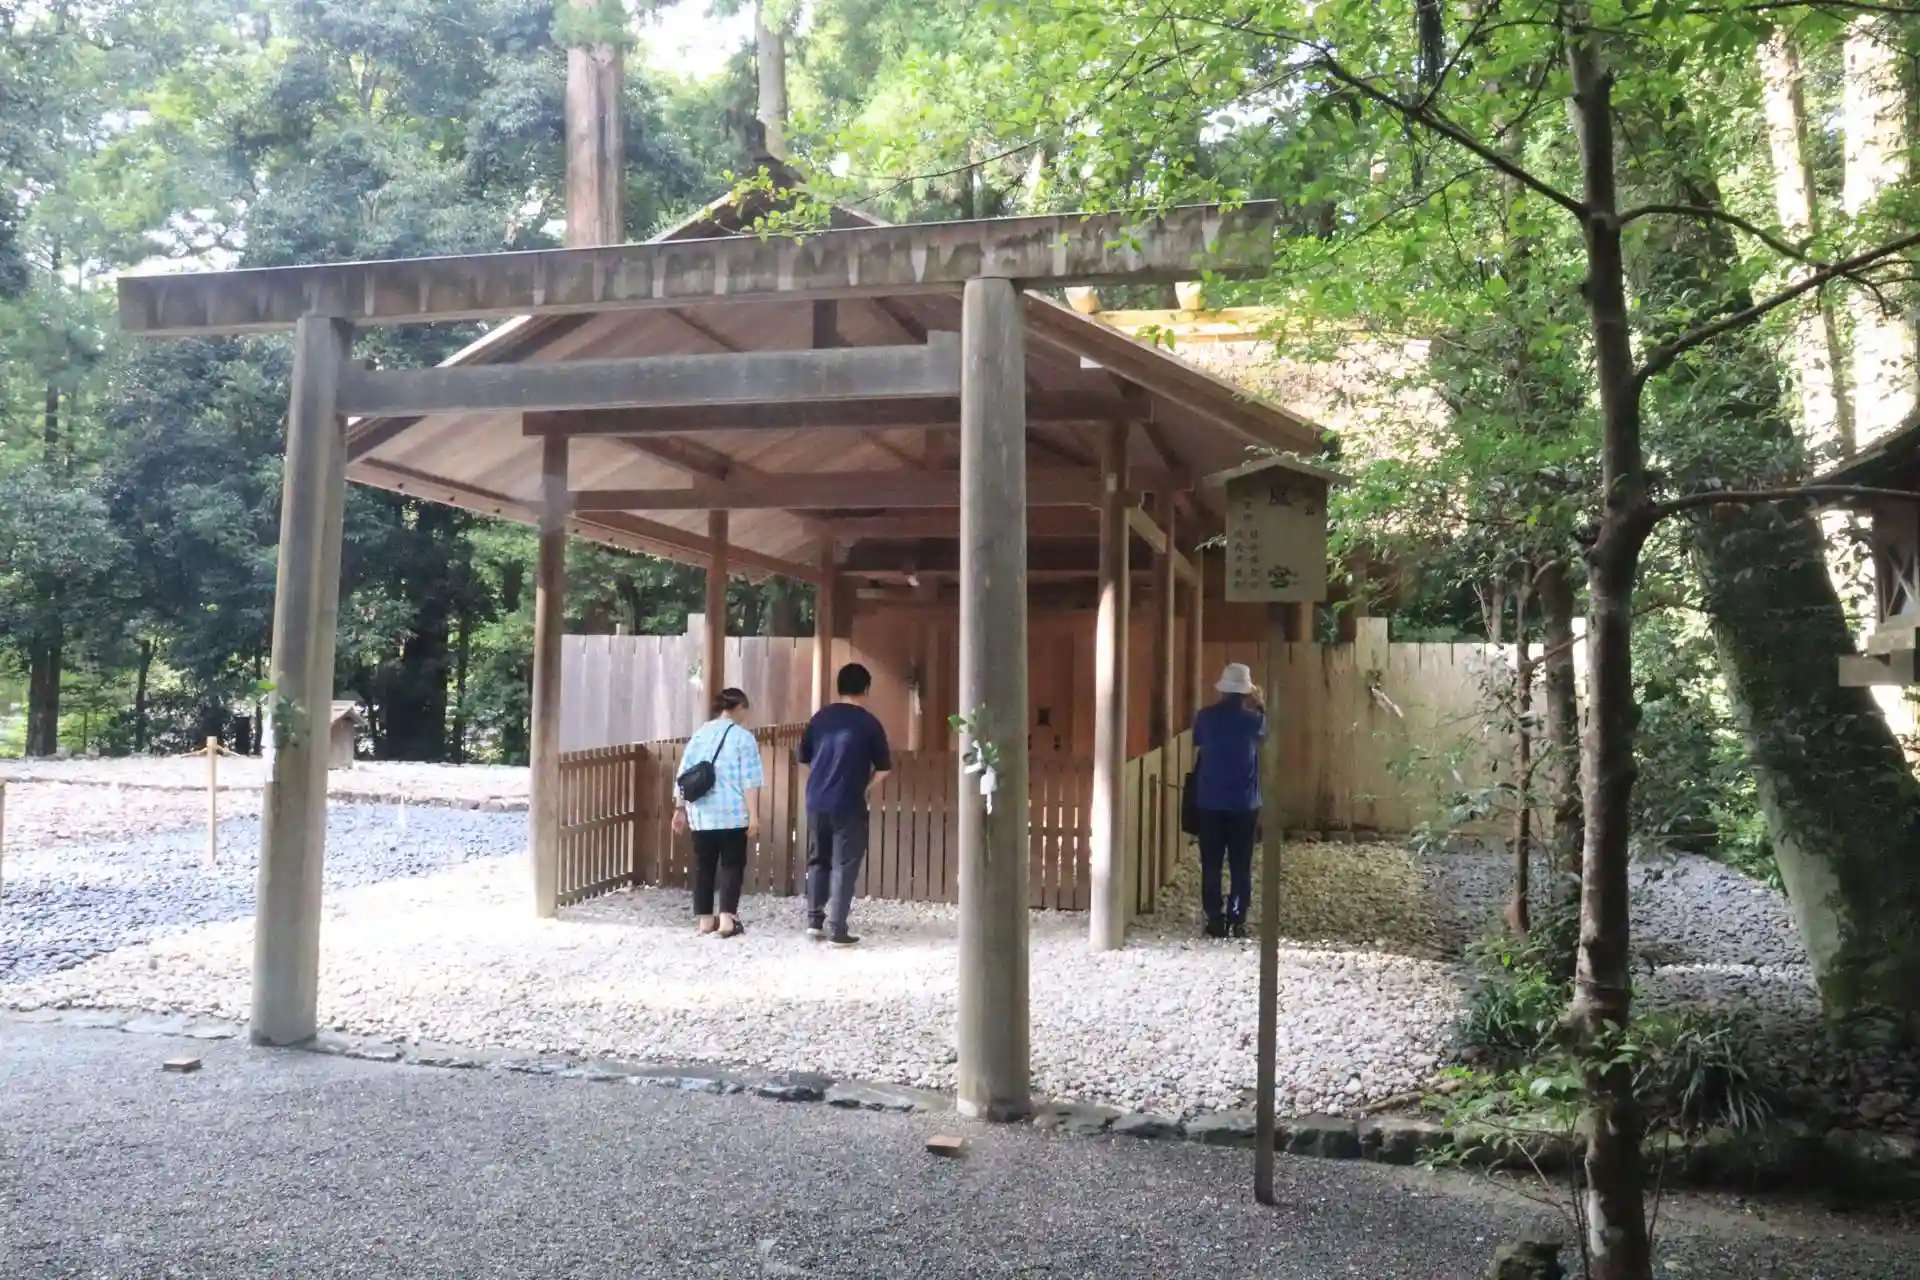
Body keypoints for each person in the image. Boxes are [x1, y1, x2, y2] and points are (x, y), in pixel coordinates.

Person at [797, 662, 892, 945]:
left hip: (816, 800)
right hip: (849, 801)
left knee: (818, 859)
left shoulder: (819, 719)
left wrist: (821, 778)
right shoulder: (869, 723)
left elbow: (804, 759)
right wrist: (864, 786)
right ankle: (837, 928)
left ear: (839, 687)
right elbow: (884, 768)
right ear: (866, 689)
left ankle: (814, 922)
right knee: (845, 863)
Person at [671, 687, 763, 938]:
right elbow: (750, 780)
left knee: (704, 867)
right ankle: (726, 922)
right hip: (732, 814)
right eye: (745, 709)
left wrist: (679, 809)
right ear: (739, 707)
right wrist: (754, 815)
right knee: (732, 865)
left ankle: (704, 921)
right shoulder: (744, 738)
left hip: (701, 814)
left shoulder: (700, 734)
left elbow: (683, 775)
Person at [1190, 662, 1266, 939]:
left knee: (1211, 863)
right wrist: (1260, 704)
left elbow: (1198, 741)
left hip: (1209, 800)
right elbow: (1264, 737)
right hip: (1244, 803)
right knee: (1241, 863)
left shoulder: (1205, 717)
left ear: (1222, 689)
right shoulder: (1255, 720)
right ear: (1246, 691)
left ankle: (1214, 918)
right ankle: (1237, 917)